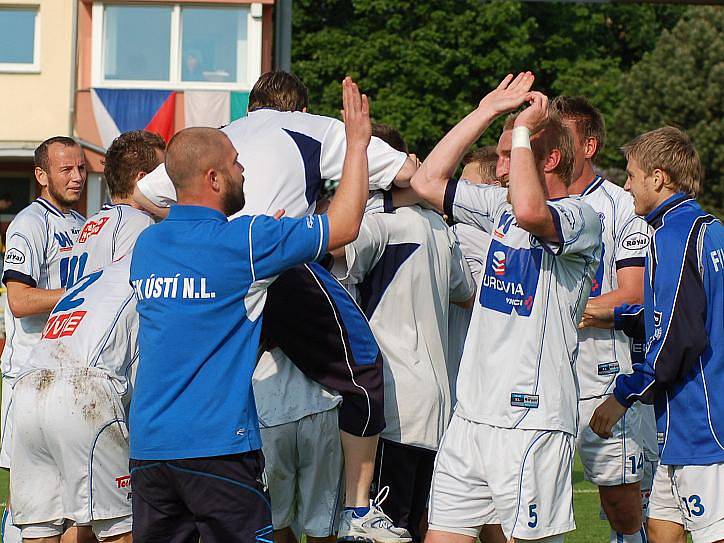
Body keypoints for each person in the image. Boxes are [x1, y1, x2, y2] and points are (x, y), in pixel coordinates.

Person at [134, 70, 418, 542]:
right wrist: (355, 145)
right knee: (361, 371)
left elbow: (152, 202)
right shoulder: (246, 242)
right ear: (214, 177)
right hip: (216, 449)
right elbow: (345, 225)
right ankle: (358, 506)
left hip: (150, 450)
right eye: (236, 163)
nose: (244, 168)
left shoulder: (151, 248)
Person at [410, 73, 602, 543]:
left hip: (531, 420)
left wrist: (520, 131)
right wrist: (489, 111)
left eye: (509, 156)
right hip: (471, 414)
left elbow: (533, 213)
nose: (499, 169)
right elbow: (425, 180)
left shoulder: (581, 217)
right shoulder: (498, 206)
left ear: (550, 158)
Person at [586, 126, 723, 543]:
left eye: (631, 175)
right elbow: (678, 314)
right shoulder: (708, 227)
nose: (626, 186)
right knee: (662, 529)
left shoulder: (672, 235)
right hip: (682, 423)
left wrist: (622, 395)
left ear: (659, 177)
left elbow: (678, 338)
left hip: (700, 423)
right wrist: (619, 318)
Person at [333, 179, 476, 542]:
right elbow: (465, 292)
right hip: (436, 407)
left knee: (376, 531)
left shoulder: (379, 222)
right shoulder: (440, 227)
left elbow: (333, 252)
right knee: (411, 527)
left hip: (390, 404)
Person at [551, 96, 653, 543]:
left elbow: (632, 295)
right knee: (525, 496)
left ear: (588, 145)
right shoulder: (533, 204)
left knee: (619, 500)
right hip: (540, 376)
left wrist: (560, 314)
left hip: (602, 376)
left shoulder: (621, 207)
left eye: (563, 136)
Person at [9, 257, 137, 543]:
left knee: (43, 530)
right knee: (120, 528)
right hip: (83, 387)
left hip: (30, 384)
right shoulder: (150, 268)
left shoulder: (92, 276)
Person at [1, 136, 87, 543]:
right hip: (27, 379)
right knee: (29, 508)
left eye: (82, 168)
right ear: (41, 175)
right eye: (65, 169)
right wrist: (82, 296)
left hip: (66, 380)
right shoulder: (29, 223)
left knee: (70, 505)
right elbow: (18, 300)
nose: (77, 177)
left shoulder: (80, 226)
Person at [69, 130, 164, 284]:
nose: (167, 181)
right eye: (162, 174)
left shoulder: (91, 222)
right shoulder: (138, 222)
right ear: (143, 179)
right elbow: (128, 289)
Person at [447, 145, 499, 400]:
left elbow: (472, 297)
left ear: (493, 190)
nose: (458, 195)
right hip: (484, 376)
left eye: (468, 187)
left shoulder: (462, 235)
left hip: (467, 378)